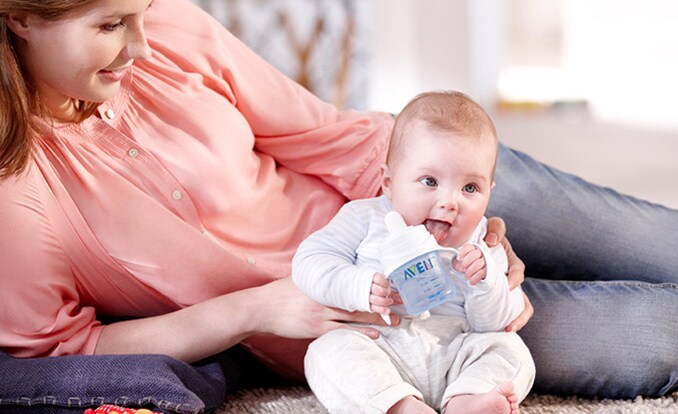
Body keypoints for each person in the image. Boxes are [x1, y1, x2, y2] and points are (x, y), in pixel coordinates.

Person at [0, 0, 675, 411]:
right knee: (655, 336)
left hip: (417, 179)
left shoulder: (171, 31)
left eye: (142, 13)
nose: (142, 47)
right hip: (383, 336)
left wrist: (445, 204)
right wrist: (255, 309)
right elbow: (67, 351)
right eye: (112, 24)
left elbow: (321, 133)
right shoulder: (19, 192)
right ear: (21, 18)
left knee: (657, 243)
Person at [292, 91, 535, 414]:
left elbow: (496, 322)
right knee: (327, 352)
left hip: (456, 349)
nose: (450, 201)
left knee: (510, 350)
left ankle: (467, 401)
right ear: (389, 182)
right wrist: (358, 285)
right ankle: (400, 407)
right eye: (430, 181)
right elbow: (309, 262)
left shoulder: (483, 241)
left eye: (470, 188)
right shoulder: (365, 217)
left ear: (489, 193)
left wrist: (487, 283)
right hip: (381, 344)